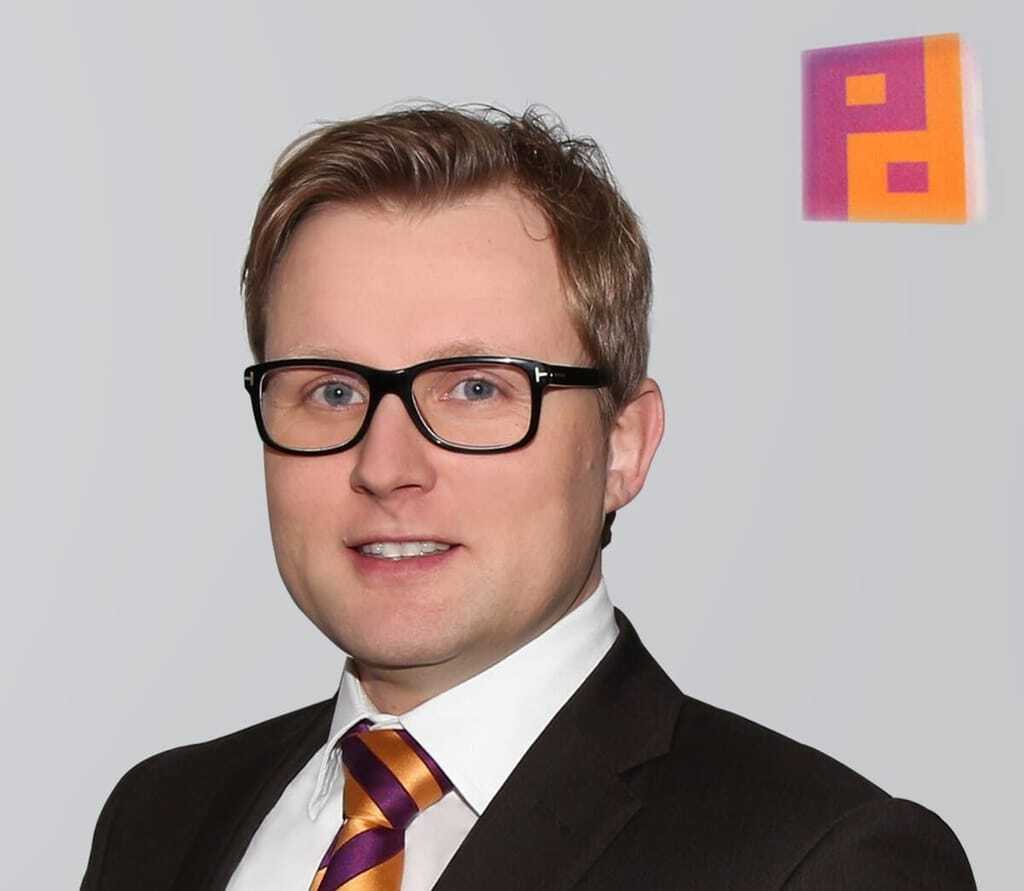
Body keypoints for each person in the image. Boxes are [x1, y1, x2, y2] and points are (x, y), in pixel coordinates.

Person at [81, 105, 976, 890]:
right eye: (332, 390)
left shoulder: (823, 860)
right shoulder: (159, 819)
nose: (386, 464)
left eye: (475, 388)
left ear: (624, 445)